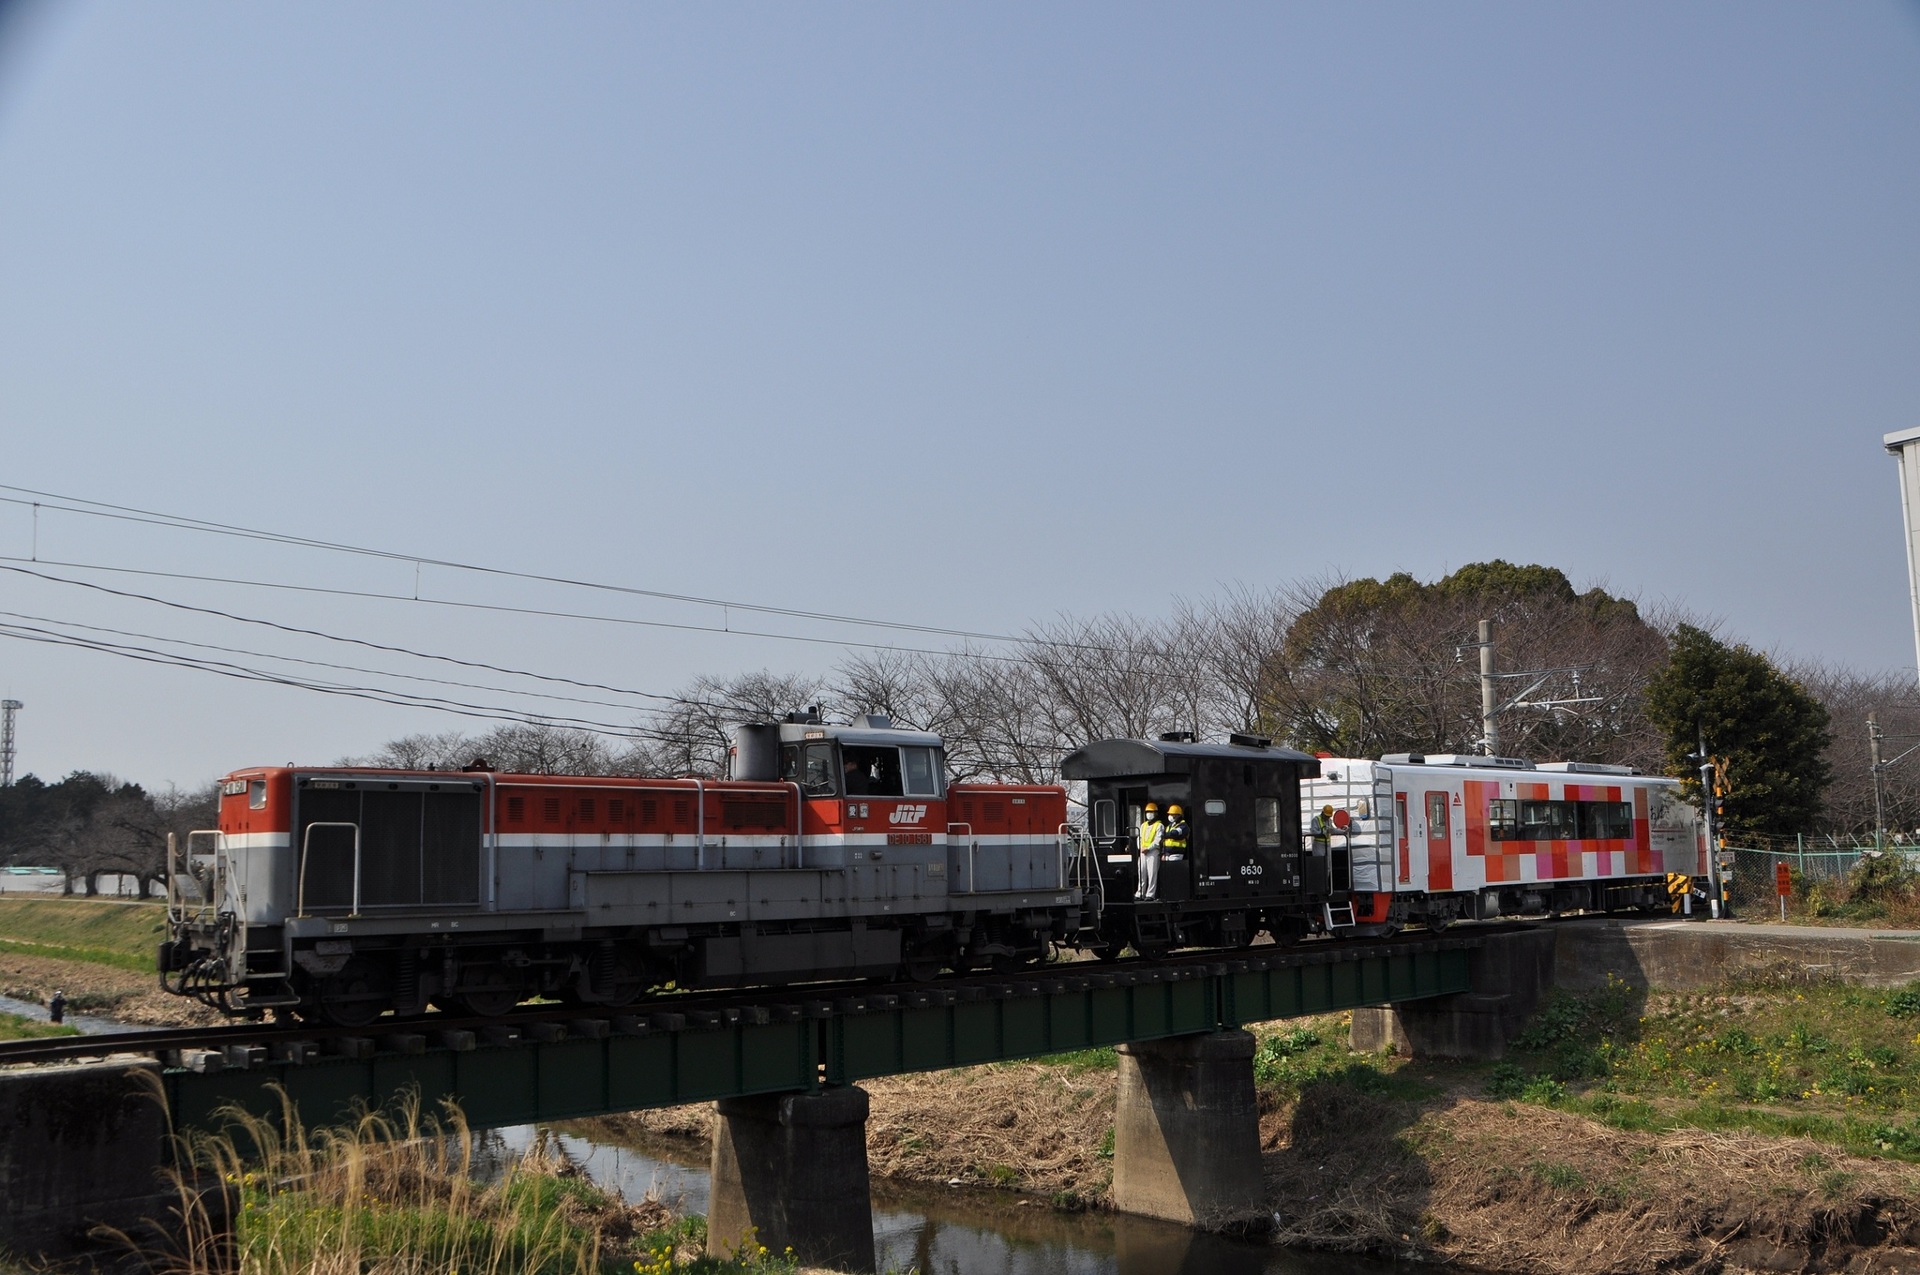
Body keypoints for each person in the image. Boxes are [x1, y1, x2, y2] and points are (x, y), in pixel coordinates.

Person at [1135, 802, 1165, 901]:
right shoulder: (1143, 825)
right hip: (1143, 852)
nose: (1149, 814)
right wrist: (1140, 848)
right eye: (1148, 812)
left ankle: (1150, 894)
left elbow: (1158, 840)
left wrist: (1148, 848)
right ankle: (1140, 893)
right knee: (1141, 872)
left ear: (1156, 813)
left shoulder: (1159, 825)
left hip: (1153, 852)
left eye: (1151, 812)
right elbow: (1139, 838)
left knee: (1152, 874)